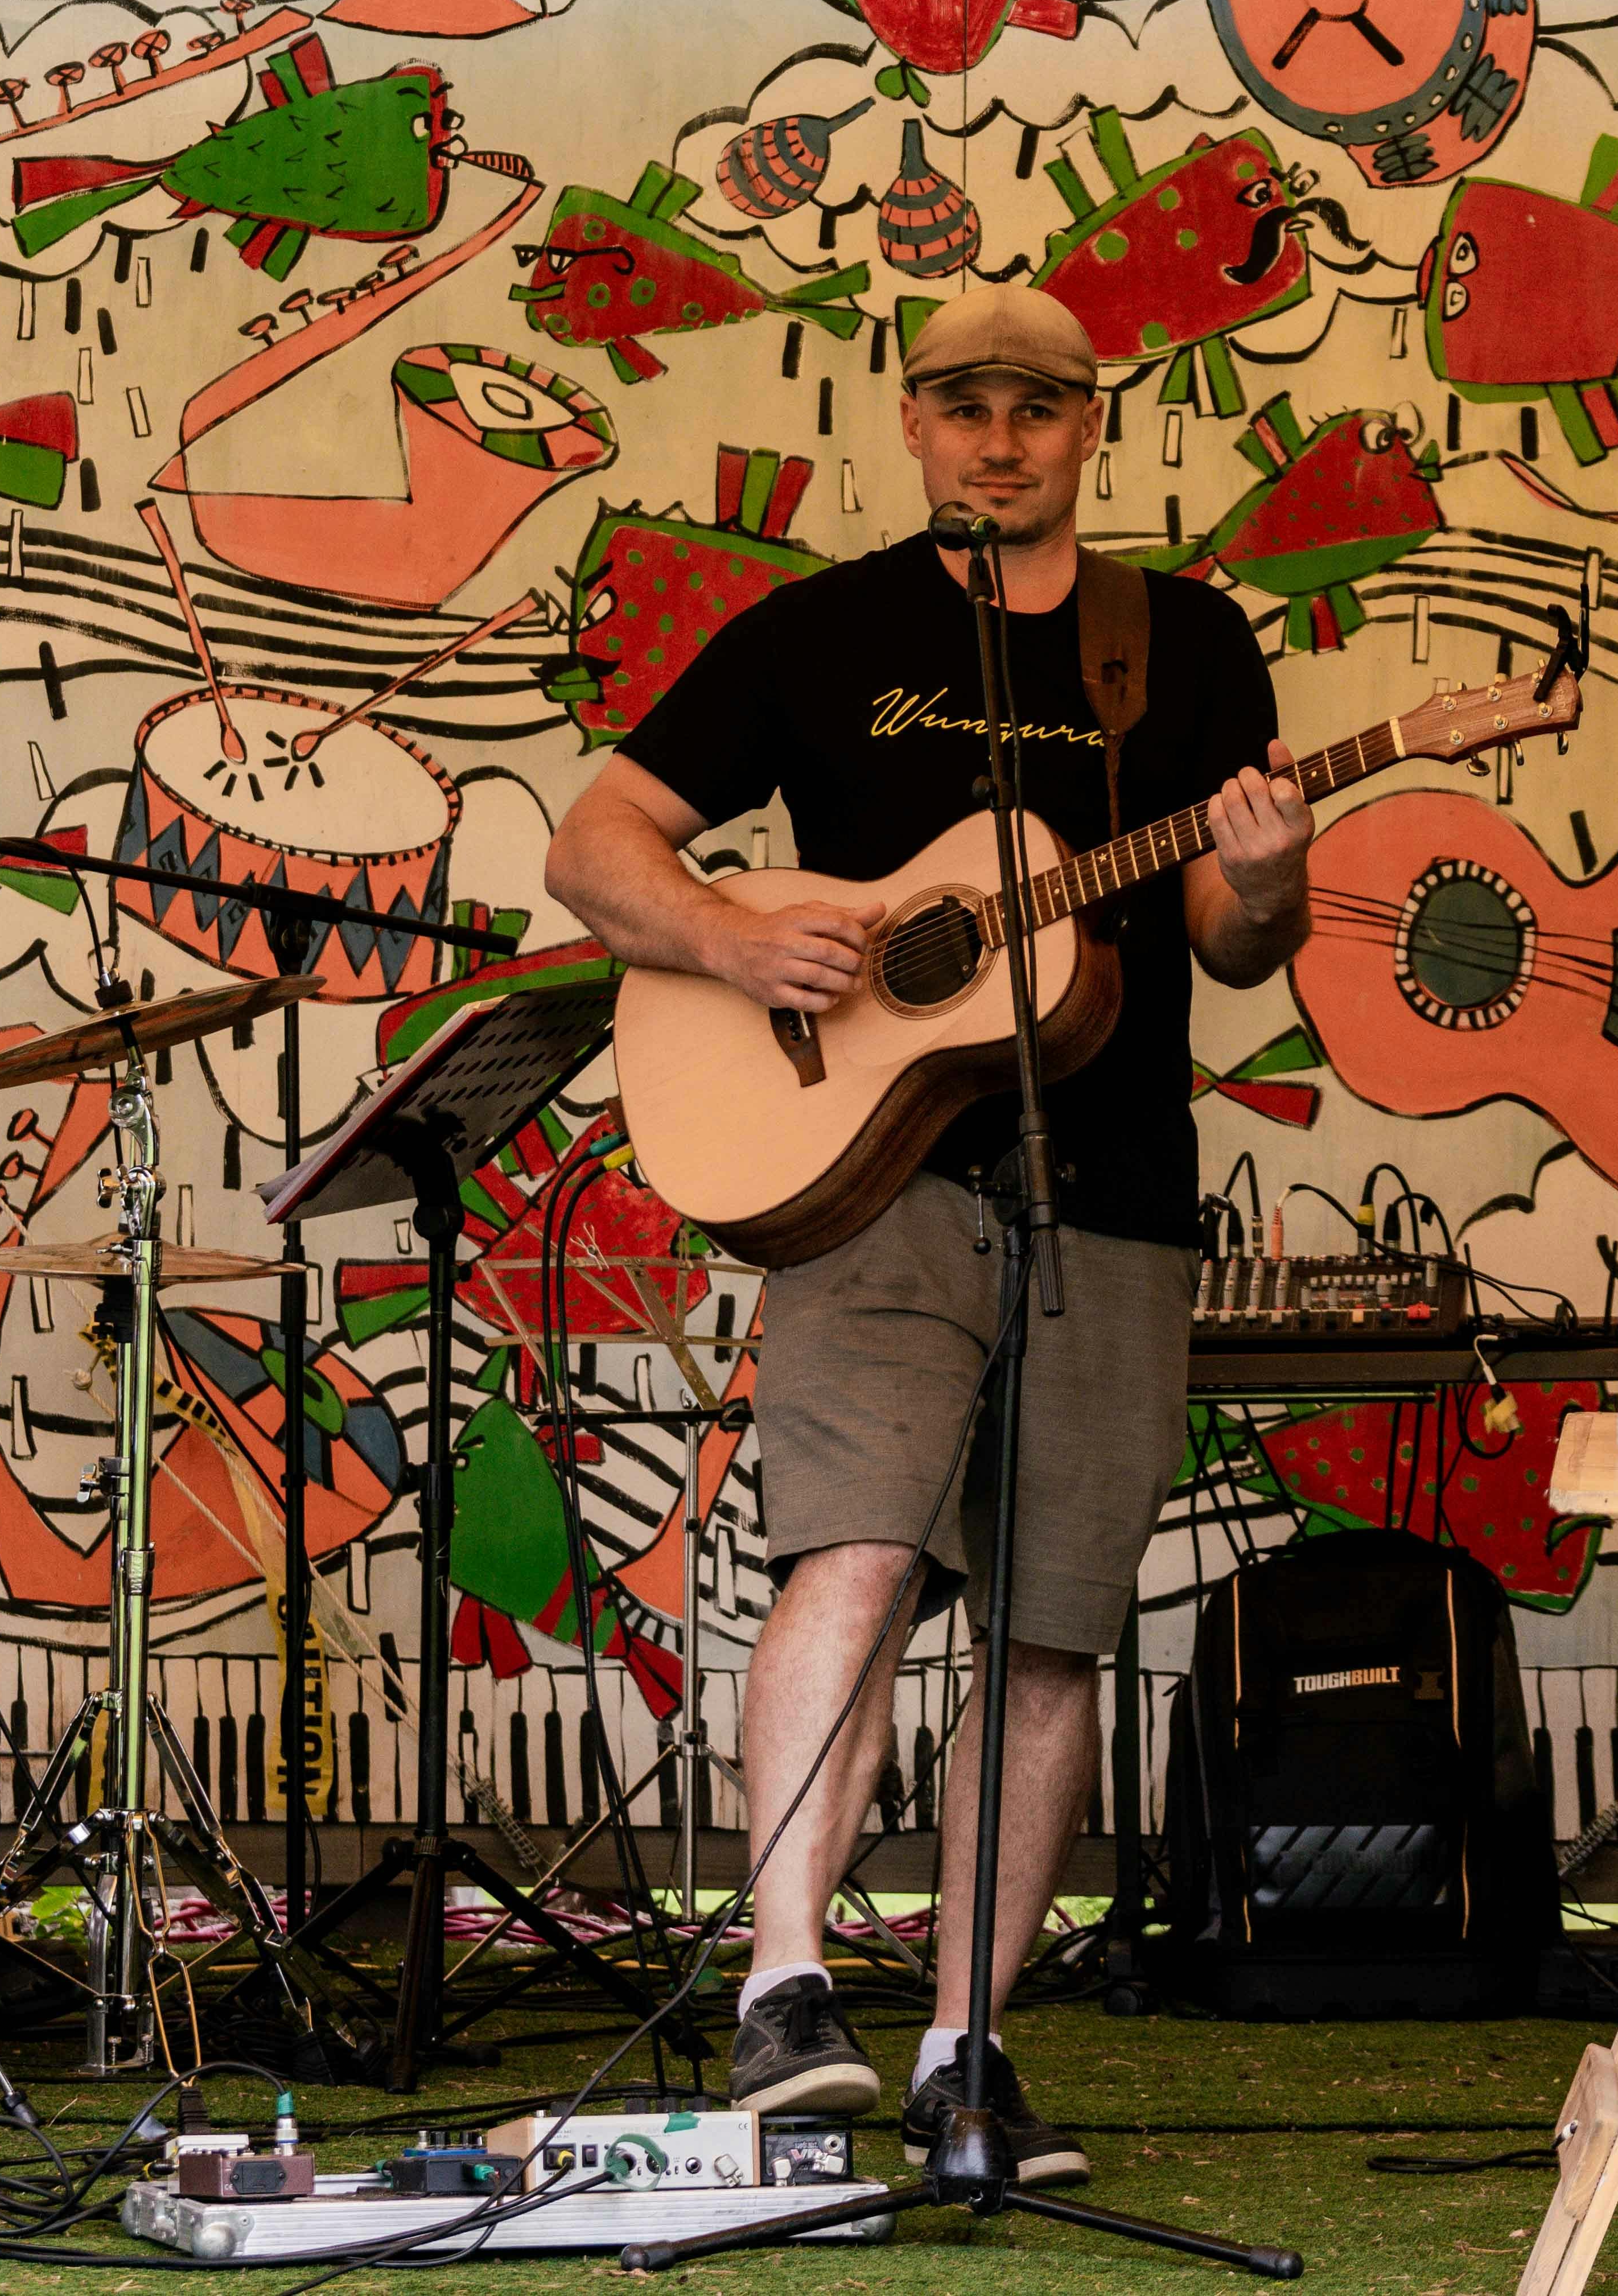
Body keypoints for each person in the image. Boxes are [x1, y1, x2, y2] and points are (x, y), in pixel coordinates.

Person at [545, 282, 1310, 2182]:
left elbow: (1225, 935)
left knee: (1051, 1630)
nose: (1000, 436)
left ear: (1090, 429)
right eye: (966, 404)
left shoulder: (1187, 644)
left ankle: (970, 2045)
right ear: (912, 421)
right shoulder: (825, 631)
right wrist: (729, 938)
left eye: (1038, 407)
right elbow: (595, 841)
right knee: (856, 1555)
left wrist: (1276, 880)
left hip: (1112, 1192)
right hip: (875, 1184)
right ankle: (785, 1992)